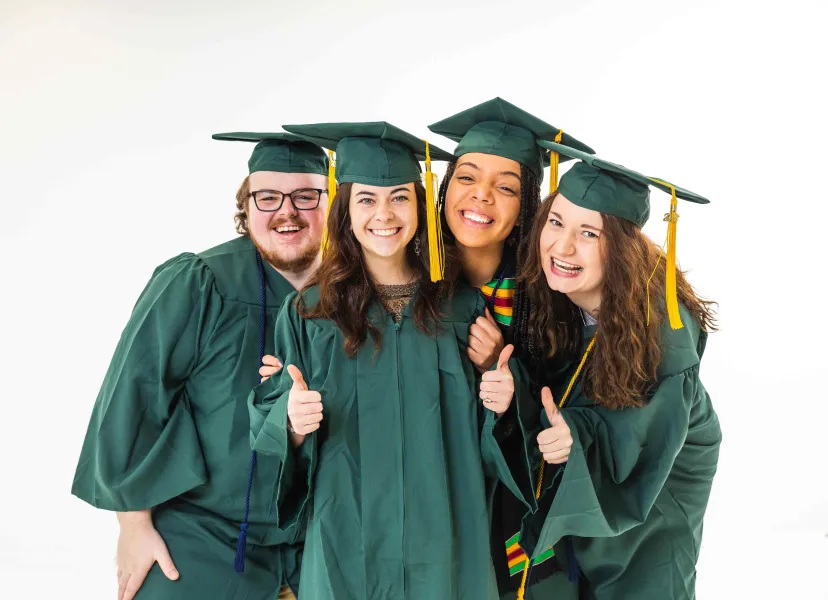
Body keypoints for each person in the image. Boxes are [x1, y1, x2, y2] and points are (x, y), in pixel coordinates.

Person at [248, 121, 532, 599]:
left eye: (400, 197)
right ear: (346, 210)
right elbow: (272, 422)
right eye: (366, 200)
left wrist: (503, 399)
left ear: (421, 206)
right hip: (346, 537)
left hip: (445, 538)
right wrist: (290, 421)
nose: (384, 213)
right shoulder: (310, 312)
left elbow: (495, 435)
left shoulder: (461, 309)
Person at [71, 132, 330, 600]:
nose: (286, 211)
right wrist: (133, 525)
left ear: (333, 204)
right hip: (205, 530)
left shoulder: (355, 294)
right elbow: (134, 395)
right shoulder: (200, 281)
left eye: (306, 196)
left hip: (319, 537)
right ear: (246, 205)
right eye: (267, 197)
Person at [516, 141, 722, 599]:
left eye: (590, 233)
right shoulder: (560, 298)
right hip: (597, 491)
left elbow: (646, 434)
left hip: (656, 491)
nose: (562, 245)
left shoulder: (661, 327)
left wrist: (577, 431)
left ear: (624, 248)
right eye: (556, 222)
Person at [427, 97, 594, 598]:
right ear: (444, 185)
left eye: (506, 188)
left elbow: (568, 407)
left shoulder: (549, 295)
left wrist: (507, 371)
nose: (481, 197)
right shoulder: (408, 281)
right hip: (429, 502)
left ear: (528, 206)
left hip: (520, 519)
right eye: (466, 177)